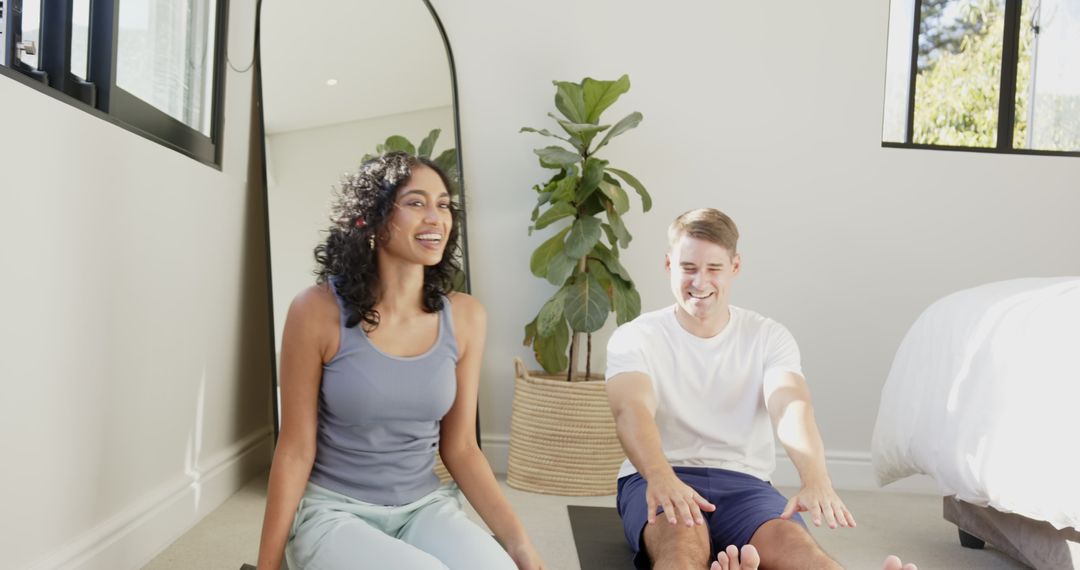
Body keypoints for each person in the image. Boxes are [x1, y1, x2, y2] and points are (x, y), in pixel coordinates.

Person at [255, 152, 544, 570]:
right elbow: (295, 449)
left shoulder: (465, 316)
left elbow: (461, 446)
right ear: (372, 220)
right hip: (334, 512)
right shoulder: (315, 311)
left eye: (443, 204)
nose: (436, 218)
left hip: (424, 507)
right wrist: (266, 565)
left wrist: (520, 547)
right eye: (416, 203)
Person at [605, 208, 916, 570]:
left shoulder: (768, 336)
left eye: (713, 269)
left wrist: (815, 479)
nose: (699, 281)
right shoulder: (636, 337)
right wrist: (660, 477)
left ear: (735, 267)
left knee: (799, 550)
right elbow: (631, 410)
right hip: (661, 475)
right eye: (688, 268)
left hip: (745, 483)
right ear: (669, 264)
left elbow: (790, 405)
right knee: (683, 547)